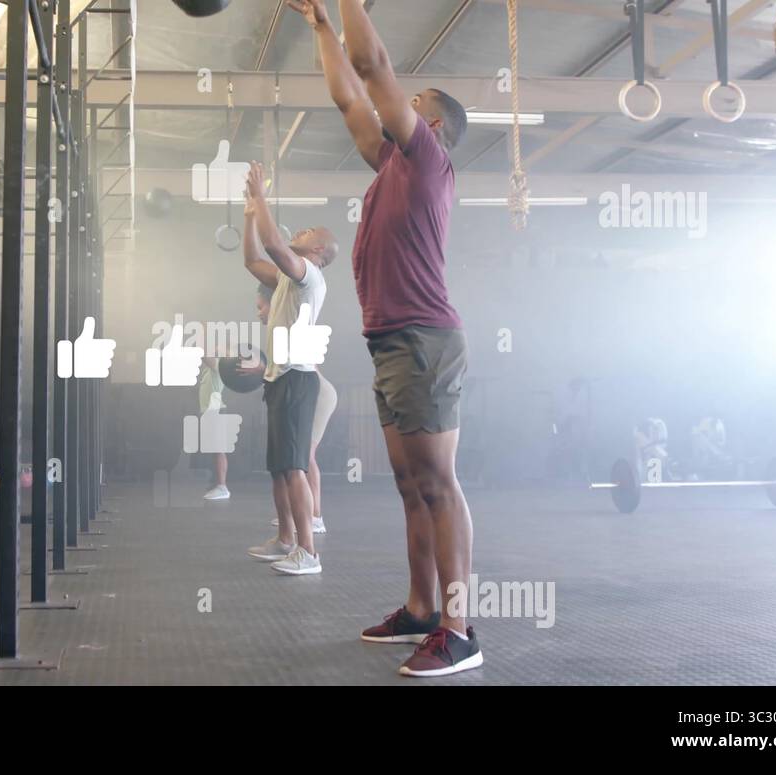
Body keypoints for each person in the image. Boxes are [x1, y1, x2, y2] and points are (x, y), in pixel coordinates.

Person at [291, 0, 480, 676]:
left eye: (414, 97)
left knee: (438, 482)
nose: (401, 98)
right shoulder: (391, 168)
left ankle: (460, 628)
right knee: (409, 484)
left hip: (425, 340)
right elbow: (349, 95)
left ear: (428, 124)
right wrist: (319, 24)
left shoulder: (427, 160)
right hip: (391, 342)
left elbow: (371, 66)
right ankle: (422, 609)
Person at [238, 162, 338, 576]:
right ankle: (284, 540)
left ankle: (308, 552)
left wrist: (260, 196)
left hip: (299, 379)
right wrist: (248, 215)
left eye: (307, 233)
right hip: (278, 379)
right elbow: (252, 259)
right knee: (280, 468)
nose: (299, 234)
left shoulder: (308, 276)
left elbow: (275, 242)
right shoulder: (285, 279)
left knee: (295, 467)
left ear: (317, 252)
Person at [254, 284, 338, 535]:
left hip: (320, 395)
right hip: (310, 391)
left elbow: (297, 364)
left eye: (261, 307)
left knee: (304, 456)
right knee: (296, 459)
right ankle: (299, 517)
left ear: (275, 304)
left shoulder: (288, 321)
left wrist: (260, 369)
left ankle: (315, 517)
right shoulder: (277, 328)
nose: (258, 313)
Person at [199, 359, 231, 500]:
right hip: (209, 411)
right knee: (214, 449)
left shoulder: (219, 365)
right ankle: (218, 483)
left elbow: (205, 355)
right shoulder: (208, 371)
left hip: (215, 409)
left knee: (219, 449)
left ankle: (222, 487)